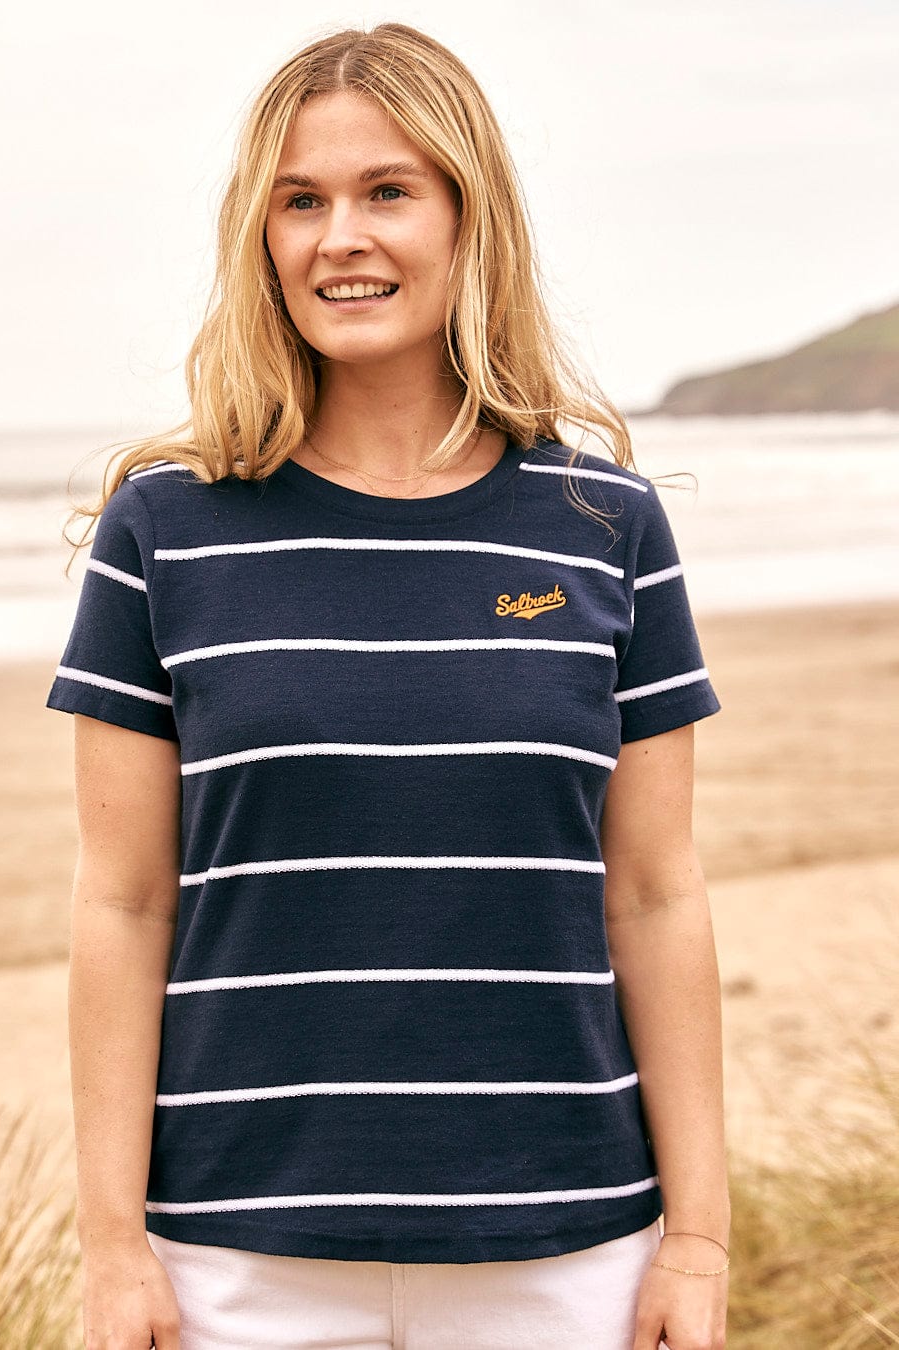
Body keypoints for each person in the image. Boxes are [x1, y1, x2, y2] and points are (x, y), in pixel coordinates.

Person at [47, 22, 728, 1350]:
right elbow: (122, 901)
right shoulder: (166, 530)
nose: (340, 236)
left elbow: (656, 890)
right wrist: (111, 1241)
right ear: (261, 237)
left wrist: (695, 1238)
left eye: (388, 192)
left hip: (566, 1244)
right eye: (300, 201)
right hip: (234, 1253)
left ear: (473, 222)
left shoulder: (604, 525)